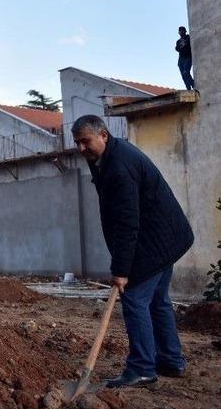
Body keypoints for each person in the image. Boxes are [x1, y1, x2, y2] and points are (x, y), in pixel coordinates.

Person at [71, 115, 193, 388]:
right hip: (166, 238)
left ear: (103, 135)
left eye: (85, 141)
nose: (81, 148)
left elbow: (127, 222)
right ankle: (171, 360)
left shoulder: (119, 166)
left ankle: (141, 368)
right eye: (77, 142)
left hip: (153, 241)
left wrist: (121, 271)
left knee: (136, 301)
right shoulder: (105, 157)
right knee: (158, 300)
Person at [175, 26, 195, 91]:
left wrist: (184, 45)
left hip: (188, 57)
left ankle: (194, 85)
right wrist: (182, 46)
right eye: (180, 31)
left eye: (182, 31)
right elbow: (177, 48)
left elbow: (189, 45)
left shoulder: (189, 37)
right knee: (183, 75)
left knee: (186, 72)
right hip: (181, 59)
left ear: (185, 31)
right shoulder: (178, 41)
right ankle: (188, 88)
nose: (181, 32)